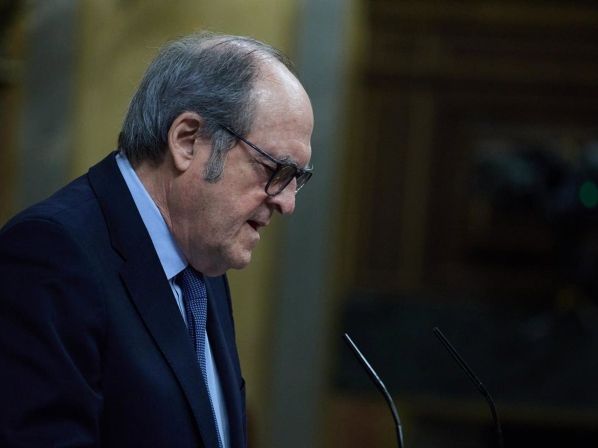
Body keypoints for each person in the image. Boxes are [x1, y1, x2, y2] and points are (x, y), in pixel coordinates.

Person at [0, 32, 314, 448]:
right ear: (187, 140)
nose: (287, 203)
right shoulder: (51, 253)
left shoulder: (201, 262)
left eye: (297, 179)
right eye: (275, 170)